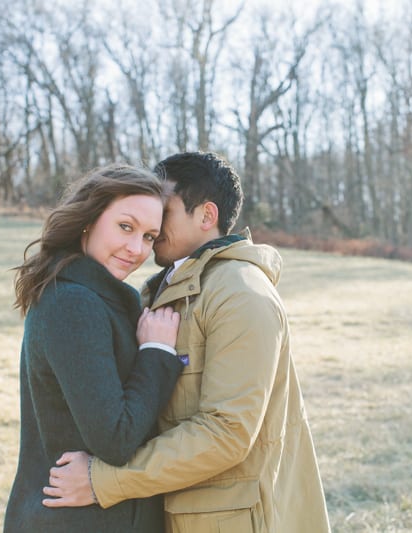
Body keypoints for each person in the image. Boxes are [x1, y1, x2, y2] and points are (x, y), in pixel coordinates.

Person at [43, 152, 331, 532]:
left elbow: (227, 432)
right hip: (181, 513)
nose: (154, 226)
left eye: (165, 210)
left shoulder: (240, 292)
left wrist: (103, 481)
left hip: (234, 521)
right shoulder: (162, 289)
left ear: (206, 216)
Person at [4, 164, 185, 532]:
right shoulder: (74, 303)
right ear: (88, 219)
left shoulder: (92, 296)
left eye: (150, 236)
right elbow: (114, 439)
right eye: (125, 226)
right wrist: (156, 352)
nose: (136, 249)